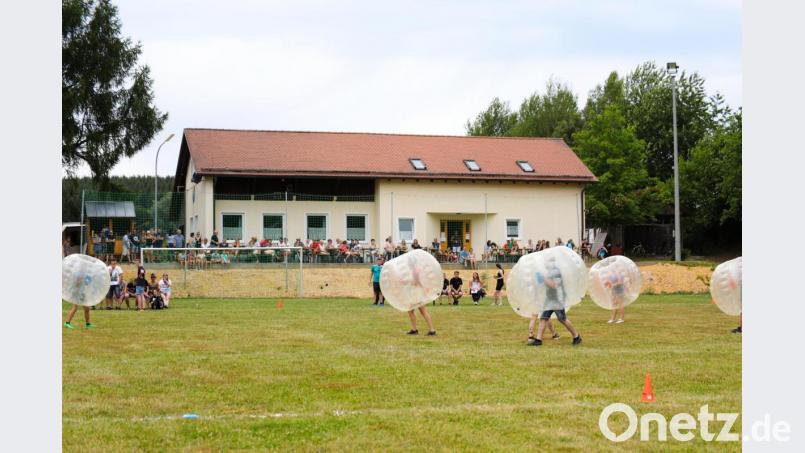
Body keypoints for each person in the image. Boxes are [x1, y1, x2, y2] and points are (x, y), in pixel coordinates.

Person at [530, 256, 582, 346]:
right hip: (550, 298)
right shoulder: (549, 272)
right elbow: (543, 283)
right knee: (543, 318)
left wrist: (543, 278)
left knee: (562, 319)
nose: (545, 264)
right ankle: (538, 340)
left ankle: (576, 336)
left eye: (547, 262)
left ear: (552, 262)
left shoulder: (556, 272)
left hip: (557, 298)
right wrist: (539, 278)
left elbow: (554, 285)